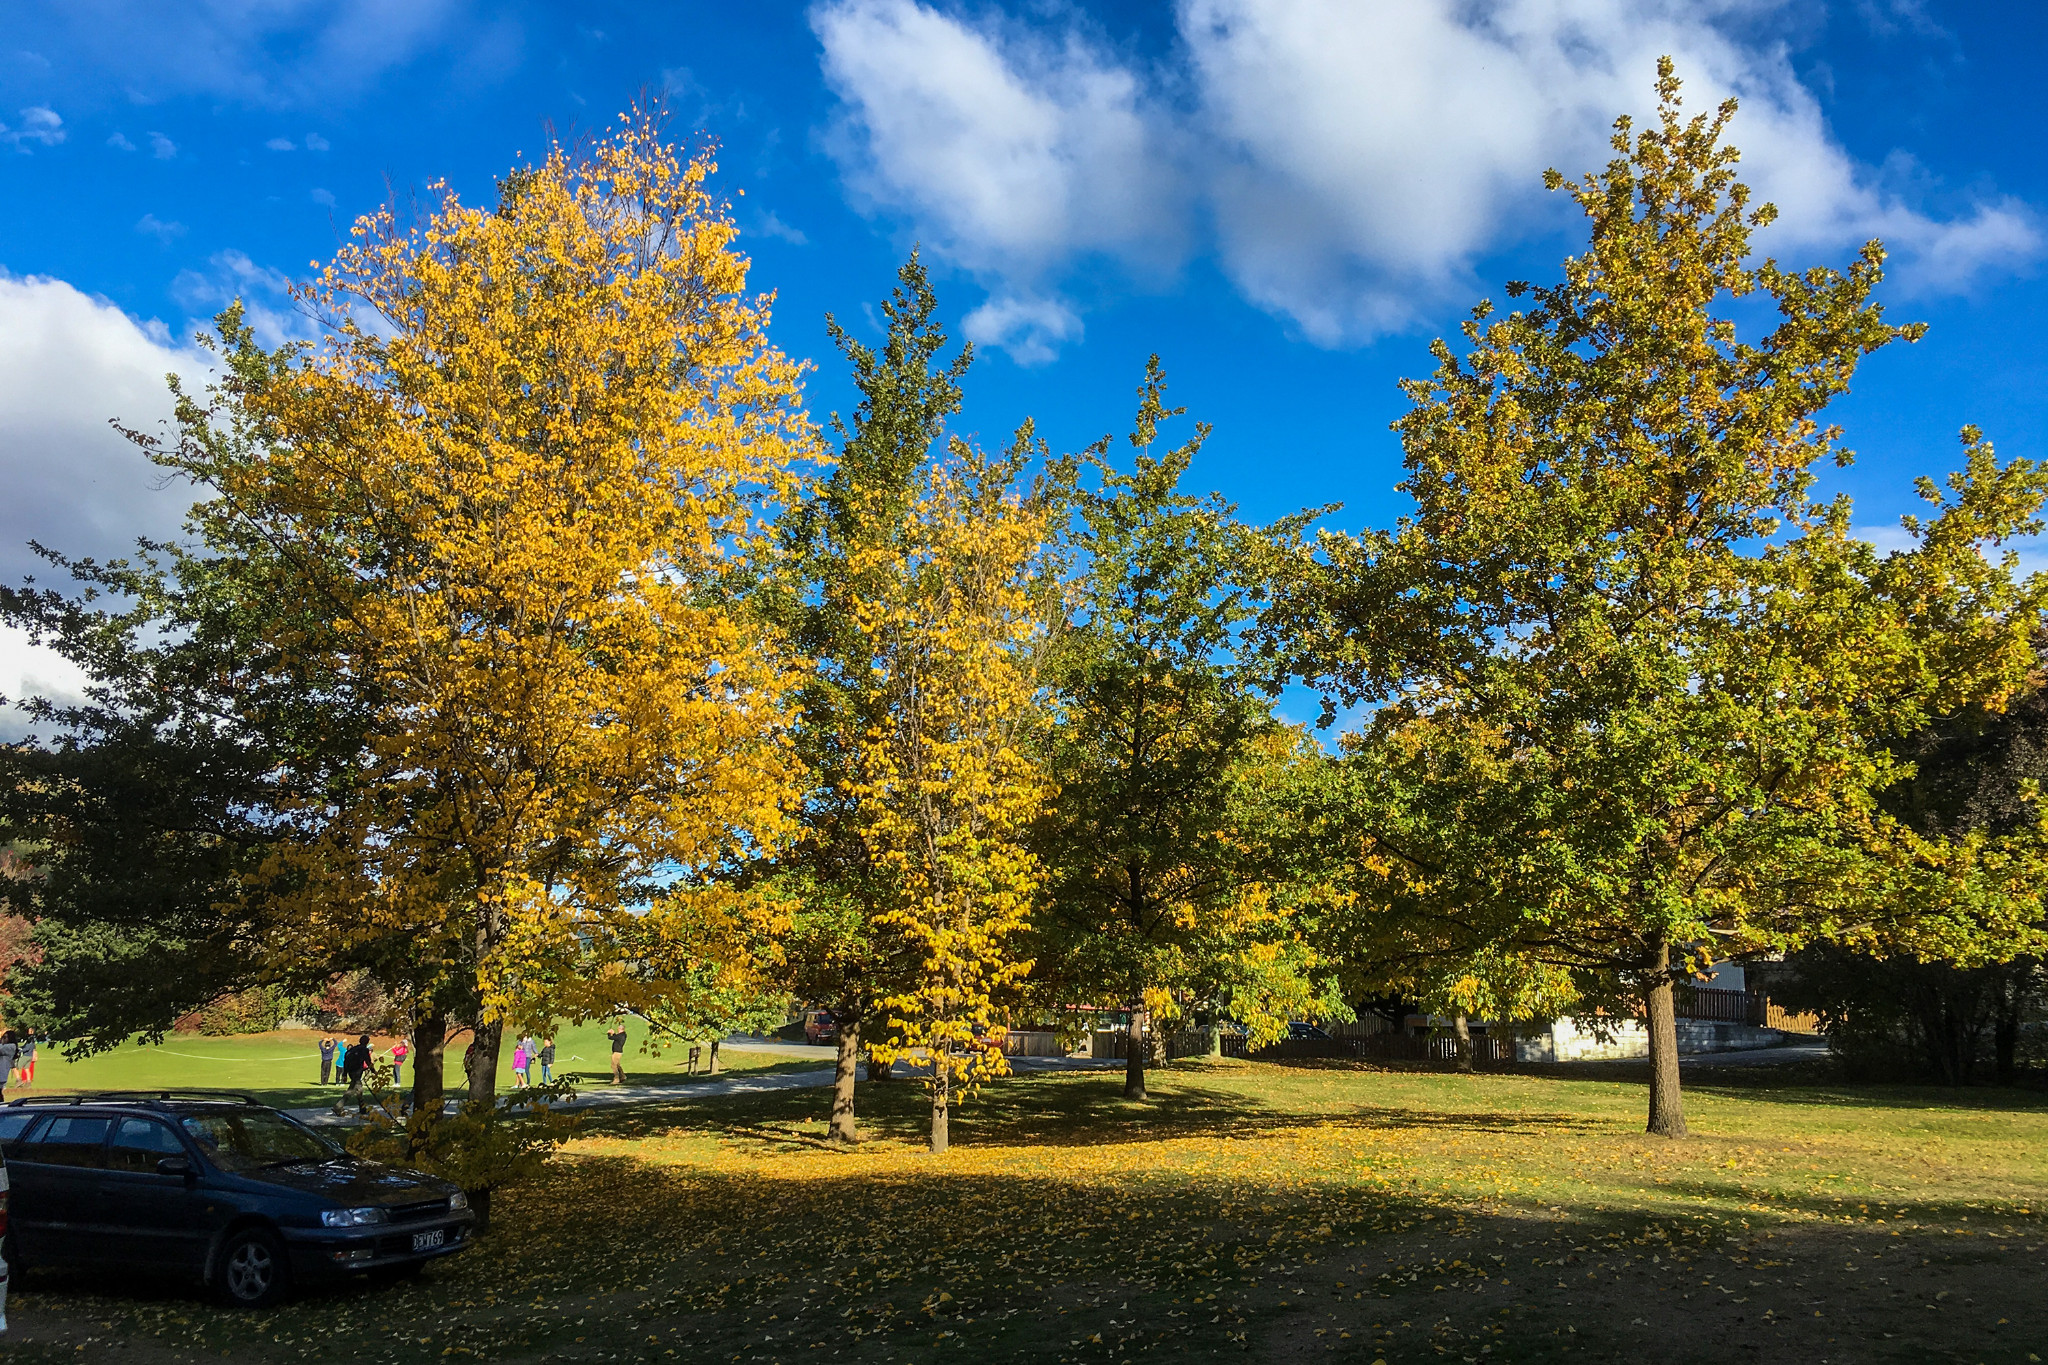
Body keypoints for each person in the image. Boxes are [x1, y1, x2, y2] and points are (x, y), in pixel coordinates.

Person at [333, 1033, 371, 1116]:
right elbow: (368, 1061)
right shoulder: (364, 1049)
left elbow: (346, 1061)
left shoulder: (352, 1049)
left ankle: (362, 1108)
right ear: (367, 1042)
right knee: (352, 1090)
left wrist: (345, 1074)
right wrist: (373, 1070)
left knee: (358, 1090)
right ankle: (338, 1106)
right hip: (357, 1072)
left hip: (351, 1071)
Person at [0, 1031, 16, 1103]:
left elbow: (1, 1049)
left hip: (1, 1074)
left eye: (5, 1037)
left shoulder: (11, 1046)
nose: (3, 1039)